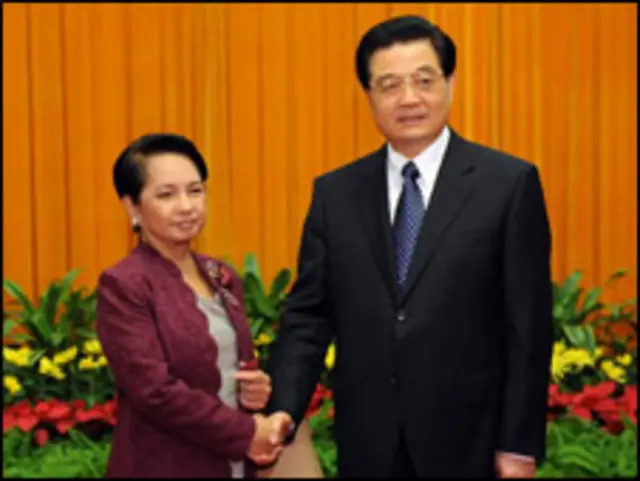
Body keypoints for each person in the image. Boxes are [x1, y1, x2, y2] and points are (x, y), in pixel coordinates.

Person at [264, 15, 554, 478]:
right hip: (369, 442)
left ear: (450, 83)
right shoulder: (335, 195)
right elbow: (309, 315)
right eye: (390, 85)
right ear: (369, 95)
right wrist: (282, 408)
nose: (409, 99)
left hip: (471, 442)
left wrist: (518, 445)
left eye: (424, 80)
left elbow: (528, 327)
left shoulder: (507, 185)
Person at [96, 133, 292, 478]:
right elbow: (154, 392)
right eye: (166, 195)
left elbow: (228, 365)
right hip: (165, 463)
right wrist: (247, 433)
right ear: (133, 207)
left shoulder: (221, 275)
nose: (186, 206)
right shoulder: (125, 285)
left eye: (195, 190)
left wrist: (256, 389)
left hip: (234, 463)